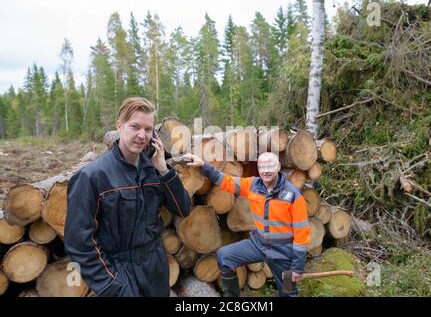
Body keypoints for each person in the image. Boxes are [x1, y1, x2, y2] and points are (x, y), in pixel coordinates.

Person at [65, 97, 191, 297]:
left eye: (148, 129)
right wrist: (112, 285)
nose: (142, 135)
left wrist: (164, 171)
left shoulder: (154, 168)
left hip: (155, 269)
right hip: (120, 273)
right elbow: (79, 242)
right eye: (135, 127)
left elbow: (183, 209)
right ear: (119, 126)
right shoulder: (93, 176)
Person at [183, 151, 310, 297]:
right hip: (259, 244)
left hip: (283, 253)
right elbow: (226, 182)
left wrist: (297, 267)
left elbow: (302, 234)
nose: (266, 171)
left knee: (288, 292)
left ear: (279, 166)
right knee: (224, 256)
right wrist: (204, 165)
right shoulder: (253, 185)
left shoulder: (293, 195)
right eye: (262, 167)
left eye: (270, 166)